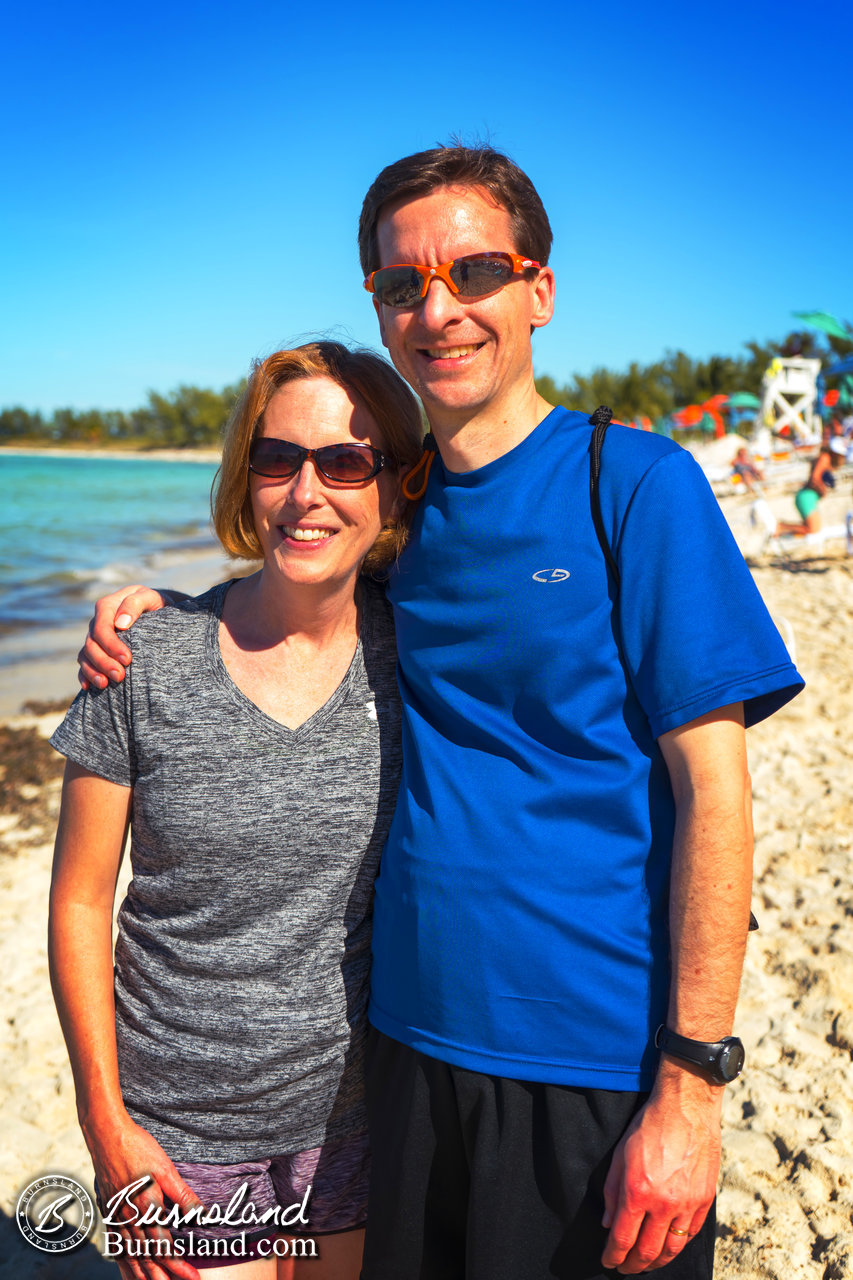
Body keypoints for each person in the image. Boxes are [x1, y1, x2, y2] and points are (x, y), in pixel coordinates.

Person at [79, 145, 803, 1280]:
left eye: (473, 271)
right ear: (375, 300)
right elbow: (290, 591)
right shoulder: (397, 513)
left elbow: (715, 793)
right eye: (402, 283)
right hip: (405, 1055)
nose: (438, 307)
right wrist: (158, 611)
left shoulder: (636, 487)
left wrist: (691, 1082)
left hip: (595, 1061)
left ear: (538, 291)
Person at [49, 341, 423, 1280]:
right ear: (243, 472)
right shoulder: (143, 660)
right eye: (277, 458)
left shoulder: (422, 651)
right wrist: (107, 1128)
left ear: (393, 484)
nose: (307, 493)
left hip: (359, 1121)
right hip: (178, 1138)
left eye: (345, 461)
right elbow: (81, 904)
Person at [775, 437, 847, 535]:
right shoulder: (825, 458)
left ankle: (783, 528)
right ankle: (781, 527)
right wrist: (822, 490)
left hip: (809, 497)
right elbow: (814, 478)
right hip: (806, 496)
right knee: (813, 529)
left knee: (812, 528)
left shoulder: (827, 459)